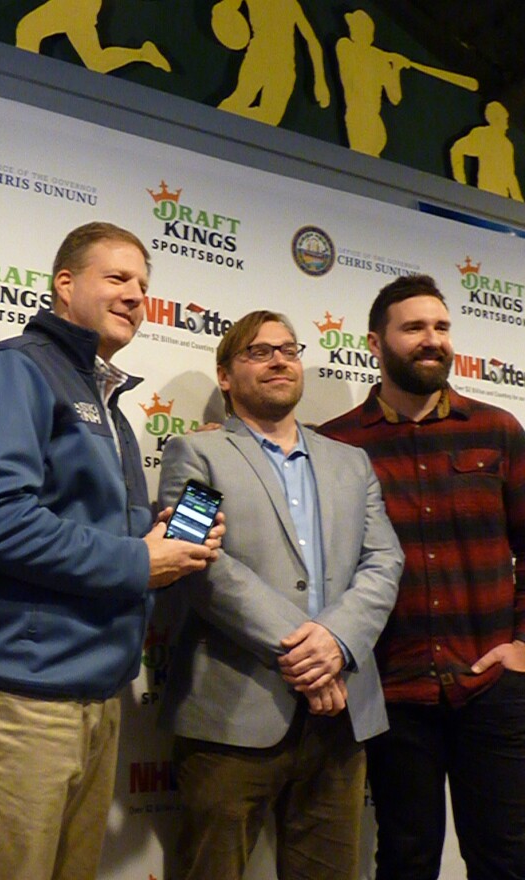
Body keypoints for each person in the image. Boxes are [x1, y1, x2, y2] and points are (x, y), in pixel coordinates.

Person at [0, 221, 222, 880]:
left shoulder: (110, 405)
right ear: (64, 285)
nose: (134, 295)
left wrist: (160, 537)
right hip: (24, 699)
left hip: (98, 697)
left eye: (143, 286)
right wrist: (137, 561)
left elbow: (84, 526)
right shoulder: (15, 369)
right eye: (117, 278)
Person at [318, 274, 525, 880]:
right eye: (414, 328)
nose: (431, 340)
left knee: (502, 862)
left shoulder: (497, 430)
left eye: (441, 327)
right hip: (392, 696)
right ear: (375, 343)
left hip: (491, 689)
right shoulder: (337, 446)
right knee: (404, 862)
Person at [157, 310, 403, 880]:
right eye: (258, 351)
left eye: (289, 350)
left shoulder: (351, 462)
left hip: (342, 719)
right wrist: (306, 652)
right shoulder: (197, 455)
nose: (278, 360)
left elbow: (384, 559)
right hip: (231, 717)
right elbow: (196, 562)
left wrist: (337, 643)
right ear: (224, 376)